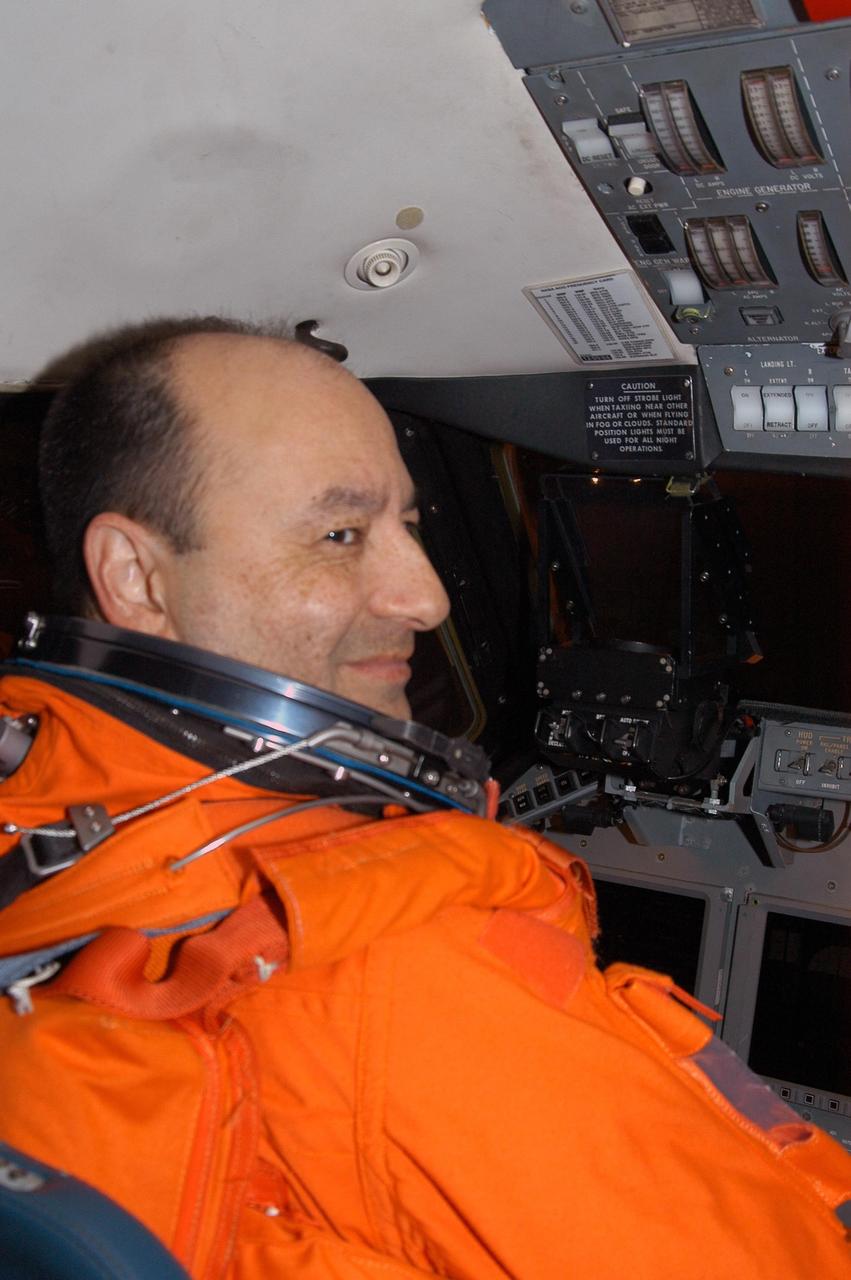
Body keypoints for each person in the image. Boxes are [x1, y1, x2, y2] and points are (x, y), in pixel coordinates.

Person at [0, 319, 849, 1280]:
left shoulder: (36, 824)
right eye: (339, 534)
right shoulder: (397, 966)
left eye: (409, 526)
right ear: (136, 577)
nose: (426, 596)